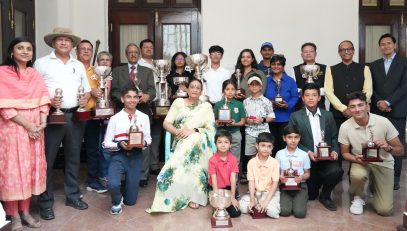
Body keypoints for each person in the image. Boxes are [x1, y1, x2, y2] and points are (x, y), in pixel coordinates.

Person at [34, 27, 91, 220]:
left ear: (72, 44)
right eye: (60, 40)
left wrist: (84, 99)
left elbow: (87, 89)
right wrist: (49, 100)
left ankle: (73, 196)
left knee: (73, 158)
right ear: (53, 43)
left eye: (68, 40)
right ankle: (45, 202)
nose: (64, 43)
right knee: (47, 160)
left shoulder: (79, 64)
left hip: (75, 116)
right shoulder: (41, 63)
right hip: (51, 117)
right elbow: (33, 91)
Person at [0, 37, 50, 230]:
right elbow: (4, 108)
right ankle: (14, 216)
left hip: (36, 130)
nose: (25, 51)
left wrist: (42, 123)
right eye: (20, 48)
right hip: (13, 129)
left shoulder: (34, 74)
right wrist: (28, 125)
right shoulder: (3, 73)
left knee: (30, 170)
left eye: (29, 49)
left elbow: (44, 100)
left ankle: (26, 212)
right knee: (14, 172)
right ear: (11, 52)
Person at [147, 78, 215, 213]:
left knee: (195, 138)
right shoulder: (178, 102)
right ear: (187, 89)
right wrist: (178, 132)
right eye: (192, 87)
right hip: (181, 140)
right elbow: (166, 123)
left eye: (198, 88)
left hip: (200, 142)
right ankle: (192, 195)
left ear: (201, 91)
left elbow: (211, 129)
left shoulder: (206, 106)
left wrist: (194, 131)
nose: (195, 89)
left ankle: (173, 174)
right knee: (192, 146)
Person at [338, 91, 404, 216]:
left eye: (360, 105)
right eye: (352, 107)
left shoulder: (383, 122)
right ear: (349, 109)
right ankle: (358, 197)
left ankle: (375, 185)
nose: (357, 109)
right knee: (357, 175)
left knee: (385, 211)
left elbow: (400, 150)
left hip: (384, 163)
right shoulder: (345, 127)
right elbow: (345, 154)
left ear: (367, 106)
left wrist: (388, 147)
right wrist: (356, 159)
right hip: (361, 162)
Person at [289, 83, 343, 211]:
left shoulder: (328, 115)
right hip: (308, 160)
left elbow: (335, 137)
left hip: (326, 158)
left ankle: (325, 195)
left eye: (314, 95)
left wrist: (335, 151)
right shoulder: (295, 116)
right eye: (307, 95)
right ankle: (316, 184)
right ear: (302, 98)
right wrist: (308, 152)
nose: (311, 98)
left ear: (319, 97)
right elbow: (293, 141)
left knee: (337, 171)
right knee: (311, 195)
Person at [110, 42, 156, 188]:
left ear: (139, 54)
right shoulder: (117, 71)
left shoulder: (147, 71)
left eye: (136, 52)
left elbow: (152, 90)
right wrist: (127, 99)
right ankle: (123, 175)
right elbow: (114, 91)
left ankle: (142, 176)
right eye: (130, 52)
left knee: (143, 144)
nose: (133, 54)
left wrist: (147, 96)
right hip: (124, 112)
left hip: (142, 111)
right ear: (126, 54)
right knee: (124, 142)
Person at [102, 86, 152, 215]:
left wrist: (143, 144)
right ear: (122, 99)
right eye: (128, 97)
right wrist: (120, 145)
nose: (132, 100)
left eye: (135, 97)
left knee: (131, 201)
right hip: (118, 156)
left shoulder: (144, 117)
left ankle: (125, 189)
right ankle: (117, 200)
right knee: (112, 184)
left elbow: (148, 138)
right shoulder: (114, 119)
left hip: (136, 156)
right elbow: (106, 144)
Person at [369, 33, 407, 190]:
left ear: (395, 45)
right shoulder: (373, 65)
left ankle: (395, 177)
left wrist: (388, 102)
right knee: (376, 143)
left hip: (397, 109)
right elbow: (372, 87)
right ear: (379, 47)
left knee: (395, 144)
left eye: (388, 43)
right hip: (378, 110)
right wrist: (379, 102)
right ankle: (376, 176)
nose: (385, 46)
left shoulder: (404, 62)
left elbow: (404, 87)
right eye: (382, 44)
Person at [76, 40, 108, 194]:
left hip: (92, 115)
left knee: (92, 149)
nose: (87, 52)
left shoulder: (96, 71)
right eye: (83, 49)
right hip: (75, 114)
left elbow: (102, 89)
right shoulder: (72, 68)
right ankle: (73, 184)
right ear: (77, 51)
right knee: (73, 150)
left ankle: (93, 181)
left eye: (89, 49)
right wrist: (90, 92)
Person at [324, 40, 373, 129]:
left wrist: (356, 107)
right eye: (343, 50)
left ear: (353, 51)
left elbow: (368, 91)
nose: (346, 52)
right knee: (338, 140)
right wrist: (343, 109)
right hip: (337, 114)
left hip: (359, 113)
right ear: (339, 53)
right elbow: (328, 92)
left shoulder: (364, 69)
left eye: (349, 49)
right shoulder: (331, 69)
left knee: (359, 141)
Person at [241, 76, 275, 184]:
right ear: (249, 87)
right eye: (252, 84)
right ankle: (253, 179)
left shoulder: (266, 101)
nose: (254, 86)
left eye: (257, 84)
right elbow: (244, 118)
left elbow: (272, 117)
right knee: (252, 156)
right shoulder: (245, 102)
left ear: (261, 86)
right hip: (250, 132)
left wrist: (262, 119)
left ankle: (265, 179)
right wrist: (248, 121)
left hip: (263, 132)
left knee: (264, 154)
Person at [239, 132, 280, 218]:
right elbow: (251, 182)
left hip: (269, 193)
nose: (266, 149)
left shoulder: (275, 162)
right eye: (263, 145)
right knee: (242, 207)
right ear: (257, 146)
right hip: (255, 193)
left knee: (273, 212)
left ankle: (262, 206)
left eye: (269, 146)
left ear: (272, 148)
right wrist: (251, 199)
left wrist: (266, 201)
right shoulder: (251, 162)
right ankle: (259, 206)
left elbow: (275, 183)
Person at [264, 54, 299, 156]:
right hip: (270, 119)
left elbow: (295, 96)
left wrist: (287, 105)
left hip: (286, 118)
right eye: (273, 64)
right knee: (271, 144)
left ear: (283, 66)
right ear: (270, 66)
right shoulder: (266, 81)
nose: (276, 66)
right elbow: (262, 97)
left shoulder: (290, 81)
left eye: (279, 64)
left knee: (284, 145)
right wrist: (270, 104)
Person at [276, 125, 310, 218]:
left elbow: (308, 173)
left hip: (300, 186)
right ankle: (290, 200)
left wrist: (301, 177)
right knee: (284, 212)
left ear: (300, 138)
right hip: (284, 186)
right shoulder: (279, 154)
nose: (293, 140)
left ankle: (301, 198)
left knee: (300, 213)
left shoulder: (304, 155)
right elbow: (276, 172)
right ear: (284, 138)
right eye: (289, 137)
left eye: (296, 137)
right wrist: (280, 177)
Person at [208, 130, 241, 218]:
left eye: (226, 142)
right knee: (218, 210)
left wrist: (232, 197)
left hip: (228, 188)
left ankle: (236, 195)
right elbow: (213, 179)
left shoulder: (233, 159)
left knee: (235, 213)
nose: (223, 145)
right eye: (220, 142)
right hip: (216, 188)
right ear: (216, 144)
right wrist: (216, 198)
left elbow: (233, 178)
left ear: (230, 145)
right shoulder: (212, 160)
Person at [213, 80, 246, 166]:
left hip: (235, 133)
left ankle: (234, 178)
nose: (230, 92)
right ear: (223, 90)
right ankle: (221, 177)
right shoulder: (218, 104)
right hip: (221, 134)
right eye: (227, 89)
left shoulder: (239, 104)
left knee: (235, 159)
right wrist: (218, 123)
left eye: (232, 89)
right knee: (221, 158)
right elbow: (215, 121)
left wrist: (234, 124)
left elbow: (243, 122)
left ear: (236, 90)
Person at [95, 51, 114, 186]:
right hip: (96, 117)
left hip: (113, 117)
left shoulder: (116, 77)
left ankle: (111, 175)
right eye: (102, 60)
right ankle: (102, 175)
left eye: (107, 60)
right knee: (100, 147)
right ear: (97, 62)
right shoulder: (93, 77)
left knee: (111, 147)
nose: (105, 62)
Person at [293, 42, 327, 110]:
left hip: (320, 105)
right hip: (301, 106)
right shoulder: (295, 69)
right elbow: (293, 89)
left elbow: (328, 88)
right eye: (305, 51)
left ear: (315, 53)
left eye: (311, 51)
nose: (308, 53)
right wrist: (304, 92)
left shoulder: (324, 68)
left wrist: (315, 92)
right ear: (301, 54)